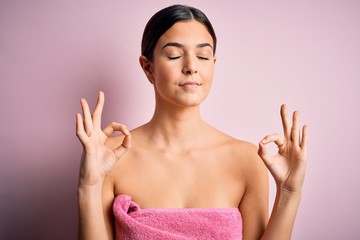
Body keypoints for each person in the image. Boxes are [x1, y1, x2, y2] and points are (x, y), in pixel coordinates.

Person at [76, 4, 308, 240]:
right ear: (148, 68)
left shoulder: (248, 159)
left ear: (213, 64)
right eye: (174, 55)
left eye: (203, 56)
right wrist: (89, 188)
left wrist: (290, 193)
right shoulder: (110, 157)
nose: (191, 67)